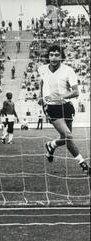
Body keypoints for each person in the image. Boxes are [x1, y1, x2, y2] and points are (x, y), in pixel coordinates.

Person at [38, 44, 90, 176]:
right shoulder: (42, 69)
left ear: (61, 57)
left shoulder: (68, 71)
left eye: (56, 55)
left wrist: (62, 96)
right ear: (48, 56)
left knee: (66, 138)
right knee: (68, 136)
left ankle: (51, 145)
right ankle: (83, 164)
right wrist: (40, 96)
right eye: (51, 55)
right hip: (52, 107)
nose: (53, 57)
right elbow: (42, 82)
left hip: (66, 106)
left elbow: (75, 92)